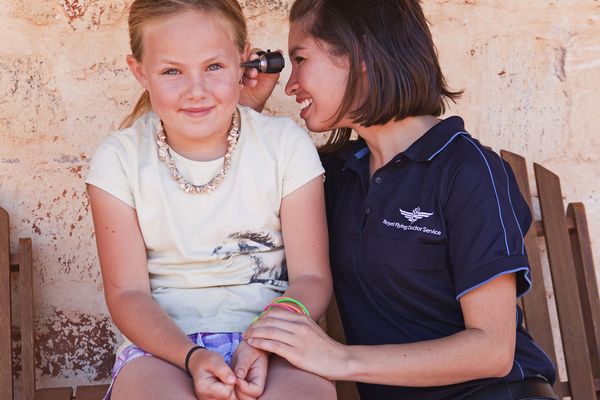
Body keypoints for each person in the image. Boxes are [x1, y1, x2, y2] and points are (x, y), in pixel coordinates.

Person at [242, 0, 558, 399]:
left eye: (301, 59)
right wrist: (246, 110)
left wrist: (340, 359)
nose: (290, 86)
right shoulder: (335, 174)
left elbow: (492, 350)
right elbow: (234, 204)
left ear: (360, 54)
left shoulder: (467, 170)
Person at [85, 1, 336, 399]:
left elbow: (312, 279)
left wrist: (264, 340)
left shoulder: (284, 145)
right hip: (163, 349)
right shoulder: (119, 159)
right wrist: (191, 357)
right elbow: (127, 294)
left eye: (214, 66)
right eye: (172, 71)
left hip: (276, 337)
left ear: (241, 62)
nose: (196, 90)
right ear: (140, 72)